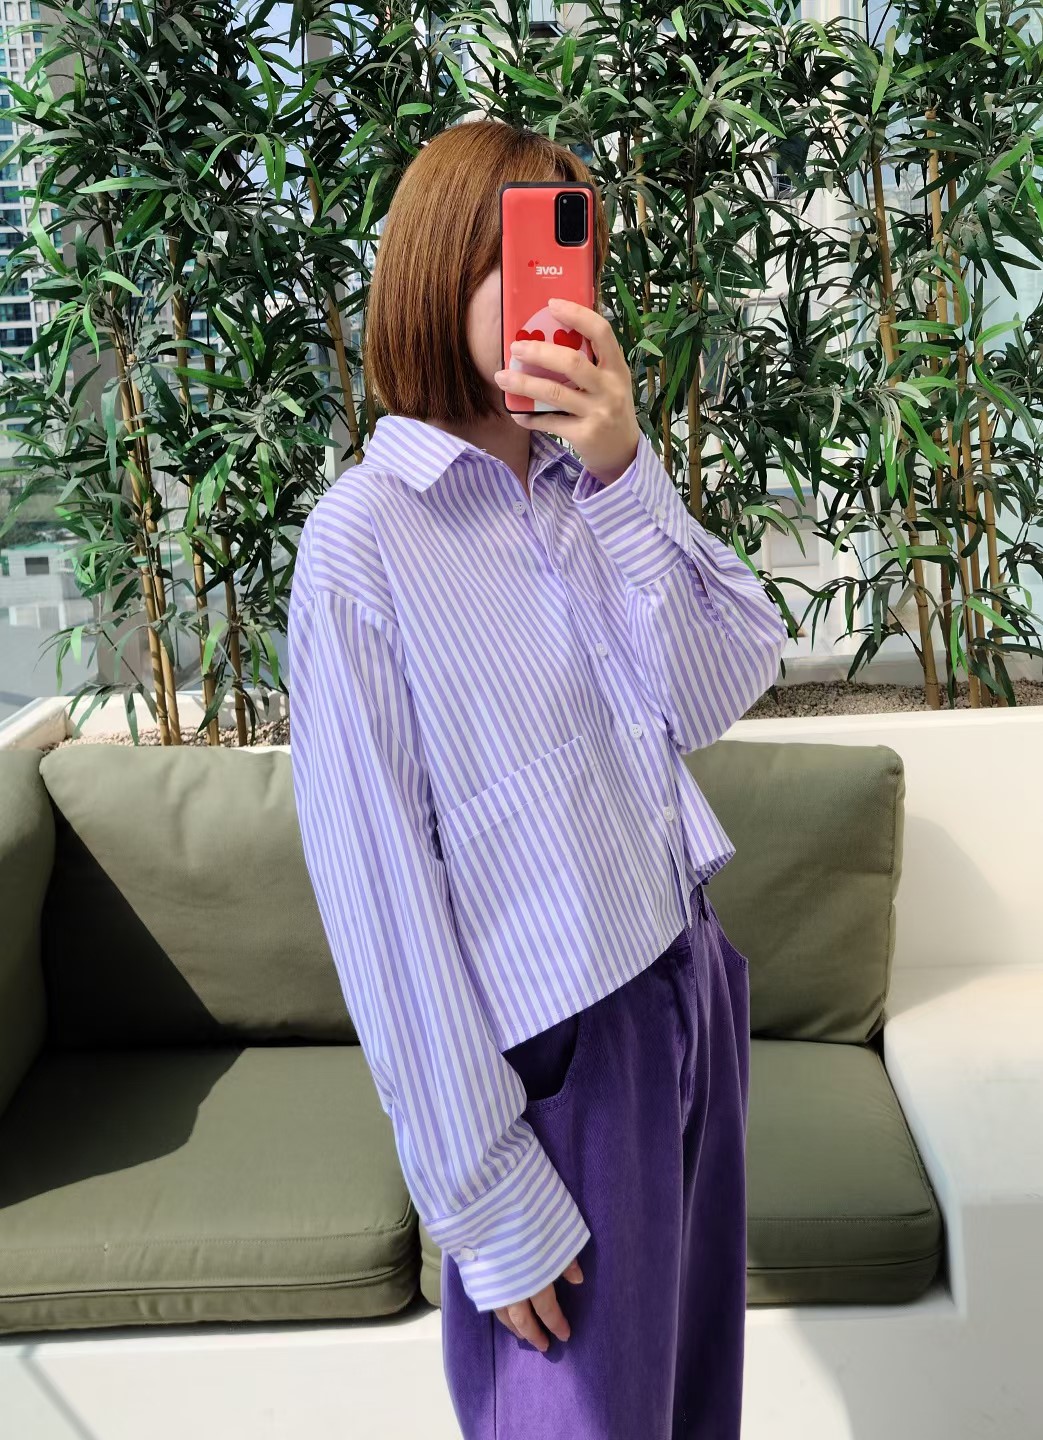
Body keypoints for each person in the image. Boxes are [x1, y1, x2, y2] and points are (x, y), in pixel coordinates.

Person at [287, 118, 789, 1439]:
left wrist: (628, 470)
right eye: (519, 256)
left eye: (572, 258)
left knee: (693, 1413)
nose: (556, 293)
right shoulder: (363, 542)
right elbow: (381, 896)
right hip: (559, 1058)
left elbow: (723, 678)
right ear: (435, 273)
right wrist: (482, 1190)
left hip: (687, 984)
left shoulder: (586, 486)